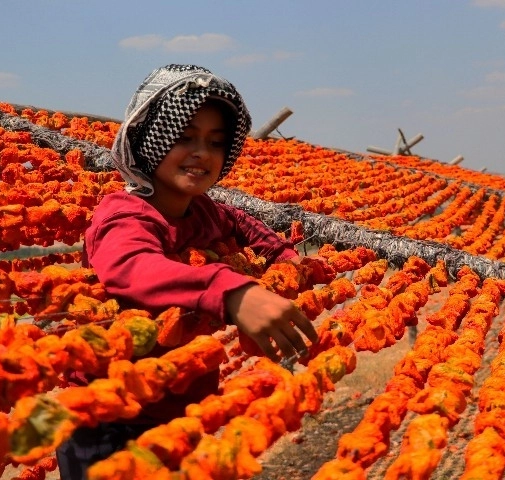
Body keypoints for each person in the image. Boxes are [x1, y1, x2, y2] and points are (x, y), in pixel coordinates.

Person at [55, 64, 318, 479]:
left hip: (180, 407)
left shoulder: (206, 212)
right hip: (109, 420)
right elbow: (133, 268)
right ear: (150, 140)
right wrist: (232, 291)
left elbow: (243, 225)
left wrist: (288, 261)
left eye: (216, 143)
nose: (202, 153)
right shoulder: (124, 216)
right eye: (184, 137)